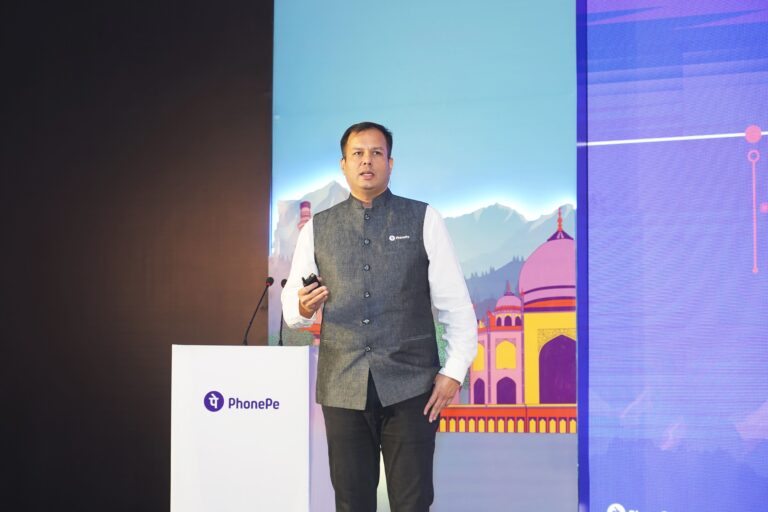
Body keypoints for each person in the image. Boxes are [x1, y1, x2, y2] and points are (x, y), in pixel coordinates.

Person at [281, 121, 476, 511]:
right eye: (357, 153)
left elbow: (455, 305)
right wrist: (303, 306)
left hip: (412, 386)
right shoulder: (318, 227)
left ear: (390, 162)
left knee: (412, 501)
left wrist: (454, 371)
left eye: (376, 153)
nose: (366, 161)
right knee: (351, 502)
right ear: (343, 164)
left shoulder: (424, 218)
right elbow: (292, 310)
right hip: (342, 385)